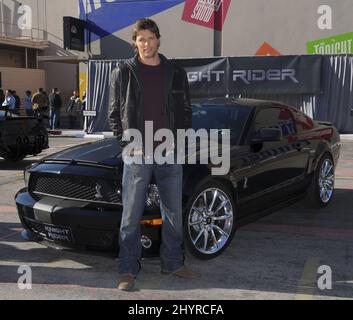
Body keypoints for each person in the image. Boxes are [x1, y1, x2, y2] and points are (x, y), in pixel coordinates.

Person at [108, 18, 197, 292]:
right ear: (135, 43)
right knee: (131, 215)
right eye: (141, 39)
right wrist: (128, 143)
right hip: (137, 153)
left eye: (150, 38)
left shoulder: (175, 71)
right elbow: (113, 116)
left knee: (173, 212)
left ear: (158, 39)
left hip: (169, 150)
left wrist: (178, 142)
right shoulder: (123, 72)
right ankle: (127, 269)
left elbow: (184, 110)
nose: (146, 44)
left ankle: (172, 262)